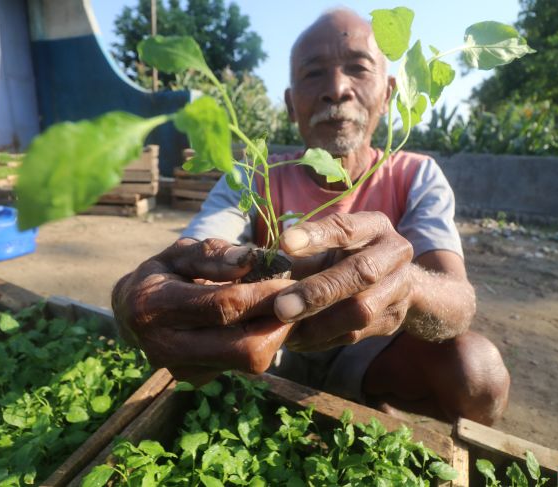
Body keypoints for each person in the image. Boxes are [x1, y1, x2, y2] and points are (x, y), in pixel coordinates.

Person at [112, 8, 510, 426]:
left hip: (369, 349)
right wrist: (133, 297)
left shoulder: (415, 174)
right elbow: (196, 252)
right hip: (270, 339)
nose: (336, 88)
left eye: (357, 68)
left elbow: (458, 302)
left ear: (390, 93)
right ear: (289, 103)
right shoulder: (253, 172)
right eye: (314, 73)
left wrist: (405, 284)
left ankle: (373, 396)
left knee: (476, 370)